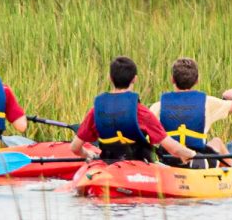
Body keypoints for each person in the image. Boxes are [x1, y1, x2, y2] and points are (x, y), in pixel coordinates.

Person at [69, 56, 199, 163]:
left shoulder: (96, 111)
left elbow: (75, 148)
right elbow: (173, 149)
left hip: (107, 166)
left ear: (110, 78)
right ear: (135, 79)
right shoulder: (141, 113)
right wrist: (191, 154)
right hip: (137, 169)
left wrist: (88, 154)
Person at [149, 57, 232, 167]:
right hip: (198, 163)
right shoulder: (207, 102)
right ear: (197, 80)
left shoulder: (158, 106)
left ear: (172, 79)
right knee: (217, 142)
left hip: (168, 162)